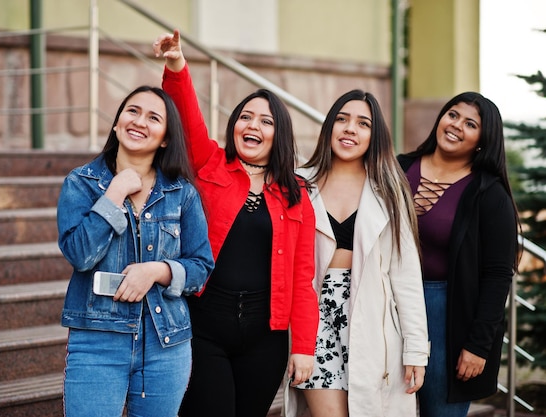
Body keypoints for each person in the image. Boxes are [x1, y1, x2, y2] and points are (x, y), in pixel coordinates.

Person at [152, 30, 319, 417]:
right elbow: (188, 117)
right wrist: (177, 64)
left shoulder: (296, 193)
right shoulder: (210, 164)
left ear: (279, 135)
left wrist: (304, 347)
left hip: (266, 336)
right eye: (245, 117)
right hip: (204, 325)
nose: (252, 126)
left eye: (265, 121)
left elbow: (302, 278)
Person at [57, 85, 215, 417]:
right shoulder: (82, 183)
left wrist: (158, 271)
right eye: (132, 111)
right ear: (116, 124)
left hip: (166, 343)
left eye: (153, 118)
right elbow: (79, 254)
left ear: (166, 138)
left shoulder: (182, 193)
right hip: (97, 341)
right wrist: (113, 195)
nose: (139, 121)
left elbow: (201, 266)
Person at [286, 89, 430, 417]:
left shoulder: (389, 192)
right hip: (314, 323)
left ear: (373, 136)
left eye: (363, 123)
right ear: (329, 129)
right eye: (342, 119)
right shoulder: (298, 184)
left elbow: (405, 278)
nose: (350, 128)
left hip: (371, 325)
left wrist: (416, 351)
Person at [397, 91, 521, 417]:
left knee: (440, 412)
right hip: (389, 303)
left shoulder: (489, 193)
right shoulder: (399, 168)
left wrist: (478, 345)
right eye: (453, 115)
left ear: (483, 139)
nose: (456, 126)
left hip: (446, 313)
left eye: (471, 124)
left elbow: (497, 275)